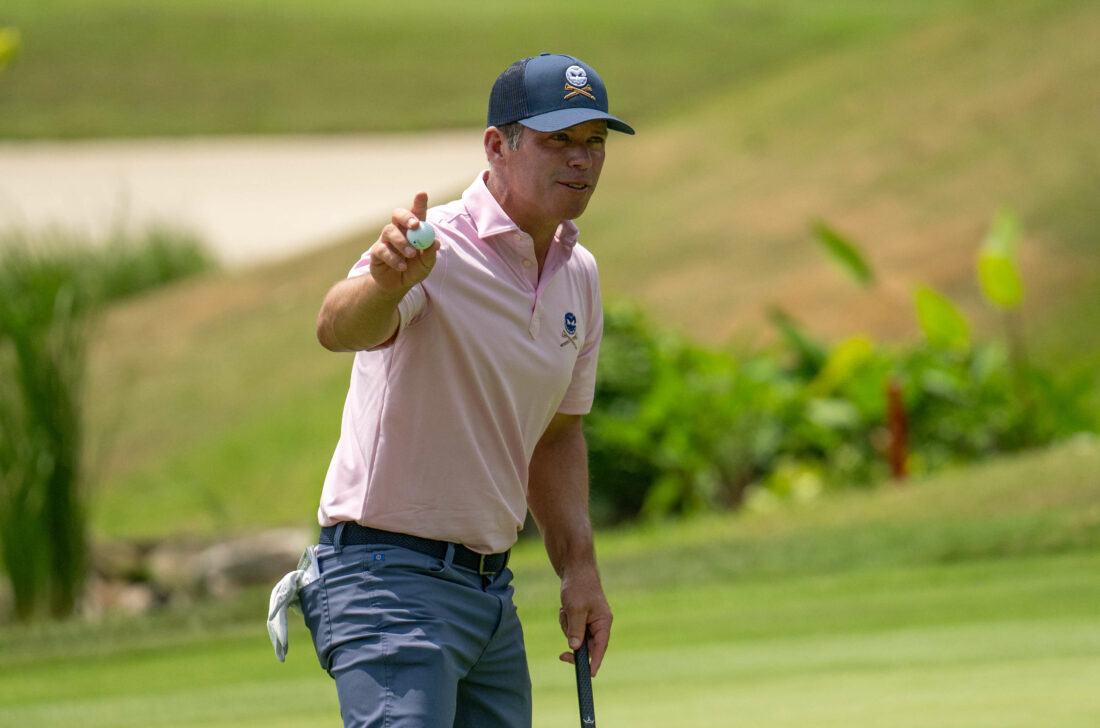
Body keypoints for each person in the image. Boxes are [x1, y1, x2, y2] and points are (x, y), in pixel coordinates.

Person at [302, 53, 634, 727]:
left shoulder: (580, 274)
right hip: (385, 579)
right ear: (497, 146)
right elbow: (337, 326)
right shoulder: (435, 245)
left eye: (593, 144)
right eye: (557, 141)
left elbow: (558, 434)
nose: (582, 160)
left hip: (489, 595)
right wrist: (386, 284)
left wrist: (580, 569)